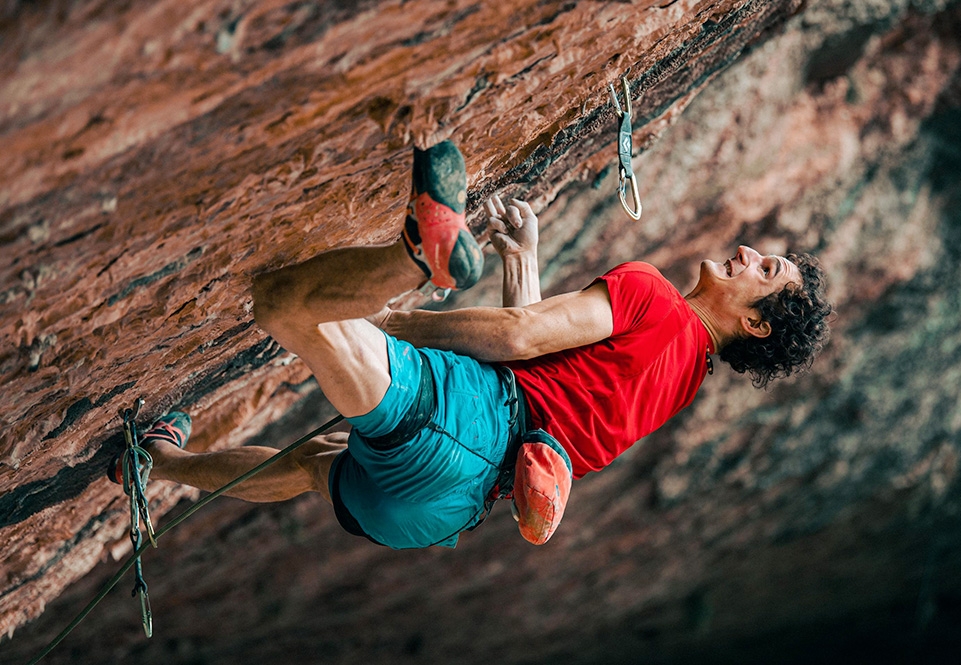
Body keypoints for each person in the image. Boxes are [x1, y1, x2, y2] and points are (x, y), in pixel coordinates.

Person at [110, 140, 833, 549]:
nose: (747, 251)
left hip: (462, 424)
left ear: (757, 322)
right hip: (438, 510)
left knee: (286, 303)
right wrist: (524, 259)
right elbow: (551, 390)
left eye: (765, 269)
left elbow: (519, 338)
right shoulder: (682, 378)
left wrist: (395, 317)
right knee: (310, 463)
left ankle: (413, 257)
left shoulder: (656, 298)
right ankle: (154, 461)